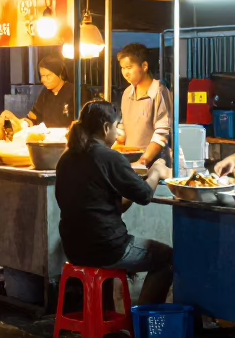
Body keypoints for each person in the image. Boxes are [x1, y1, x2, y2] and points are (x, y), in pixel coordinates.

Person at [55, 100, 173, 306]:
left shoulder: (66, 157)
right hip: (107, 248)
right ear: (105, 127)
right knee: (167, 258)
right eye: (117, 127)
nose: (118, 133)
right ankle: (142, 322)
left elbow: (104, 205)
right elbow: (145, 195)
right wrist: (155, 171)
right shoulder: (109, 157)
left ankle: (111, 318)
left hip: (73, 248)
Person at [115, 43, 172, 167]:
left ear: (144, 66)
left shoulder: (161, 92)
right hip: (130, 162)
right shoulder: (127, 93)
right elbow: (123, 127)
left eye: (129, 67)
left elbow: (162, 134)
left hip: (155, 163)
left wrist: (143, 161)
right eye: (123, 68)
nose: (125, 72)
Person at [24, 55, 75, 128]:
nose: (43, 80)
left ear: (59, 74)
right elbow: (34, 115)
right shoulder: (45, 93)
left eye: (48, 76)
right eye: (42, 76)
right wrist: (25, 123)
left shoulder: (74, 92)